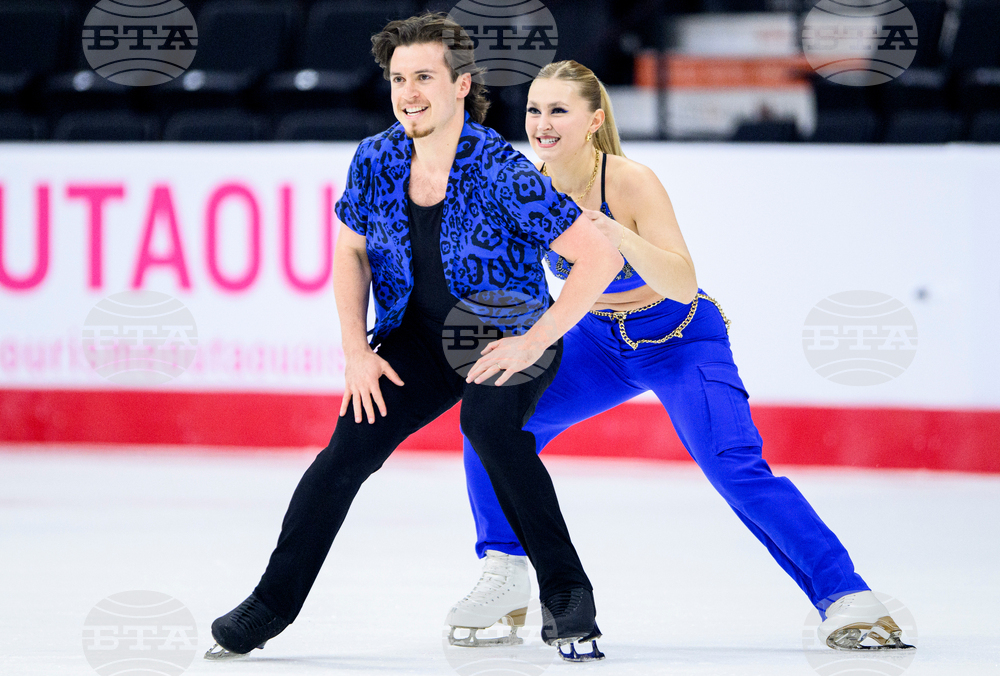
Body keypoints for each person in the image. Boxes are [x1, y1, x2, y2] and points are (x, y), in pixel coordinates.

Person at [444, 60, 914, 653]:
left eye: (559, 110)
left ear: (593, 121)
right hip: (598, 341)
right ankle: (506, 575)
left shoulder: (631, 181)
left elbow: (682, 282)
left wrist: (618, 235)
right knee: (492, 421)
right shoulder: (527, 187)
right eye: (535, 109)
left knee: (733, 466)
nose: (542, 123)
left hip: (680, 337)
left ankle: (847, 596)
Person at [204, 18, 624, 661]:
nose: (408, 92)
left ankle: (568, 593)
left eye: (424, 76)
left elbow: (599, 257)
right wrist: (356, 352)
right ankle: (269, 604)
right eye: (399, 78)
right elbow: (350, 252)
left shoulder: (501, 169)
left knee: (488, 427)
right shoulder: (375, 158)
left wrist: (535, 341)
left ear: (462, 85)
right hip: (416, 341)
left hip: (505, 332)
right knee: (345, 453)